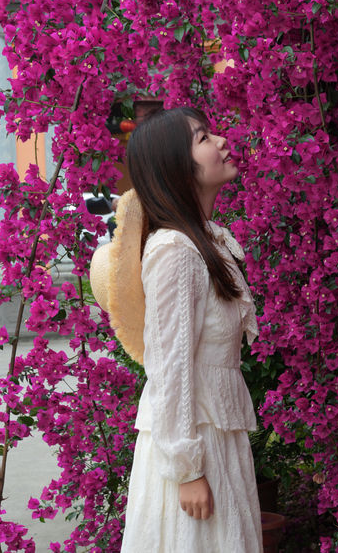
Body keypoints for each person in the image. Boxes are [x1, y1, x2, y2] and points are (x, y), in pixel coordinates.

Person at [90, 106, 263, 552]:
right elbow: (167, 369)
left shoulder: (204, 242)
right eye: (204, 138)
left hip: (214, 441)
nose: (221, 141)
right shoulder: (176, 251)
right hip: (192, 450)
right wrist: (187, 472)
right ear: (175, 165)